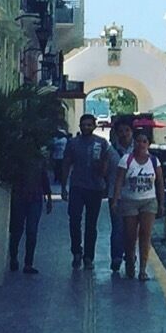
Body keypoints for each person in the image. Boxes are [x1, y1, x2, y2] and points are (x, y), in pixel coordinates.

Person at [61, 113, 116, 272]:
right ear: (79, 126)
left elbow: (107, 167)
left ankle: (89, 256)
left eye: (89, 125)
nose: (86, 127)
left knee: (91, 224)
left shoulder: (102, 143)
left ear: (94, 126)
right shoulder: (72, 143)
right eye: (83, 125)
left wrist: (104, 175)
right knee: (74, 220)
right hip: (77, 186)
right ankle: (76, 251)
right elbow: (66, 164)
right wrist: (64, 186)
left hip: (95, 188)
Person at [115, 131, 163, 283]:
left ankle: (143, 269)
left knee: (145, 235)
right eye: (138, 141)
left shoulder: (154, 161)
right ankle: (130, 261)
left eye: (144, 141)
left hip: (148, 201)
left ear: (148, 144)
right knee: (130, 236)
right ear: (134, 143)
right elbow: (119, 181)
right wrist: (115, 200)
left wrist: (161, 203)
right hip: (129, 201)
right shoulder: (126, 160)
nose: (141, 144)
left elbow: (160, 182)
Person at [7, 135, 50, 275]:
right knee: (17, 230)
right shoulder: (16, 161)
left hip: (35, 198)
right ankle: (13, 257)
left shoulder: (40, 160)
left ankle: (28, 263)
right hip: (19, 197)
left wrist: (48, 197)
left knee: (32, 231)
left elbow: (44, 178)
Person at [106, 117, 139, 275]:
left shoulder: (139, 149)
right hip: (115, 194)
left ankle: (130, 255)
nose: (124, 134)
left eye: (127, 130)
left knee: (131, 228)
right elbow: (105, 171)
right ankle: (116, 257)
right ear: (116, 133)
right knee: (117, 227)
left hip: (134, 194)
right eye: (121, 131)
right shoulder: (110, 150)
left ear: (132, 132)